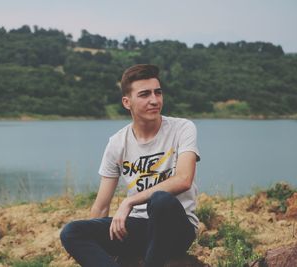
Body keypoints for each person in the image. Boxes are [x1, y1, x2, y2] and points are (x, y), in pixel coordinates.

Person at [60, 64, 200, 267]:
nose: (154, 100)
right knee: (72, 232)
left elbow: (184, 179)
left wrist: (129, 201)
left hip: (176, 228)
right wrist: (100, 240)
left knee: (160, 200)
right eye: (144, 94)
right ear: (127, 102)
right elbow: (101, 205)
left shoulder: (183, 128)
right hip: (138, 228)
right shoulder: (117, 143)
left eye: (158, 92)